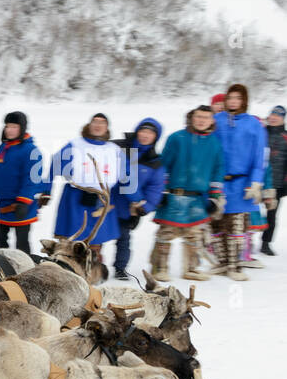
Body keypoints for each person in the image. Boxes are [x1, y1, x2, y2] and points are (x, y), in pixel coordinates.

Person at [152, 105, 223, 282]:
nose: (201, 120)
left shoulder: (214, 143)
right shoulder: (177, 138)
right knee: (165, 234)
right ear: (192, 117)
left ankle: (191, 268)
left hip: (198, 198)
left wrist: (214, 196)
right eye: (198, 116)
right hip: (175, 194)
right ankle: (159, 267)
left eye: (206, 117)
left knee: (194, 236)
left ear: (211, 120)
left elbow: (218, 170)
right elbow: (164, 165)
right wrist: (162, 191)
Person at [212, 83, 267, 281]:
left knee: (236, 227)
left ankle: (235, 265)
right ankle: (222, 262)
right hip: (218, 181)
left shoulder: (253, 124)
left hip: (241, 181)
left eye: (238, 98)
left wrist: (255, 182)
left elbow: (259, 157)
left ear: (244, 100)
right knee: (216, 224)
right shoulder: (216, 120)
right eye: (230, 98)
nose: (233, 101)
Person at [52, 112, 124, 258]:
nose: (98, 125)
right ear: (89, 125)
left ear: (107, 127)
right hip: (75, 198)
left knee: (96, 239)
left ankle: (93, 270)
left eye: (102, 123)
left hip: (101, 199)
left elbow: (127, 174)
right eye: (95, 122)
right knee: (73, 238)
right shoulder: (75, 145)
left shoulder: (114, 149)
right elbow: (56, 164)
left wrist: (136, 200)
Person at [111, 118, 167, 280]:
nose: (145, 135)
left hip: (128, 207)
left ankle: (120, 268)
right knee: (96, 237)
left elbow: (155, 188)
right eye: (143, 130)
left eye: (150, 133)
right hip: (106, 201)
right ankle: (91, 264)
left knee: (124, 239)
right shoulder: (118, 146)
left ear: (155, 137)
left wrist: (145, 206)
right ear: (137, 131)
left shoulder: (155, 162)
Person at [0, 111, 46, 255]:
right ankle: (2, 270)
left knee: (22, 245)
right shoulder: (2, 148)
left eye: (14, 127)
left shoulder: (31, 150)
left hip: (22, 205)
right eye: (7, 126)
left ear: (22, 128)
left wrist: (24, 202)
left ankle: (26, 272)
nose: (9, 130)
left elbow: (32, 179)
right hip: (3, 205)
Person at [263, 104, 286, 256]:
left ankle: (265, 243)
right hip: (257, 180)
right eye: (272, 114)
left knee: (271, 215)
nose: (274, 117)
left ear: (283, 118)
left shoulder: (286, 136)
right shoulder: (261, 132)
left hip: (276, 183)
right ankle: (244, 241)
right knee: (249, 213)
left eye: (277, 115)